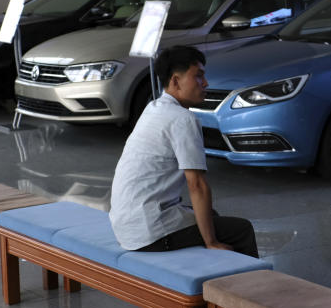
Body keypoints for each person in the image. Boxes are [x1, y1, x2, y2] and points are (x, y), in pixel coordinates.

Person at [109, 45, 259, 257]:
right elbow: (196, 185)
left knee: (211, 216)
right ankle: (249, 288)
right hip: (150, 233)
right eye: (198, 76)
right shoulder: (182, 119)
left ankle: (216, 273)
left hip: (126, 226)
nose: (205, 83)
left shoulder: (153, 108)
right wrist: (211, 241)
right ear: (175, 81)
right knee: (240, 230)